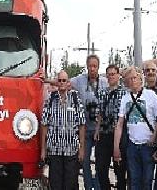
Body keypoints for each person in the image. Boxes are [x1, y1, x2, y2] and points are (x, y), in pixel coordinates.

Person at [114, 66, 157, 190]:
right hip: (132, 145)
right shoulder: (125, 98)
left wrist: (154, 138)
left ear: (140, 79)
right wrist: (116, 147)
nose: (132, 81)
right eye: (129, 79)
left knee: (147, 180)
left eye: (134, 78)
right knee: (134, 180)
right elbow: (120, 123)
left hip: (148, 145)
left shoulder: (151, 95)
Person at [40, 70, 86, 190]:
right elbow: (44, 125)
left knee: (70, 184)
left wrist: (81, 148)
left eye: (64, 80)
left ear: (68, 82)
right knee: (55, 184)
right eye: (59, 80)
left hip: (71, 150)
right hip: (54, 151)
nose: (61, 83)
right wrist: (43, 149)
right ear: (57, 82)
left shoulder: (76, 99)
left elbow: (81, 125)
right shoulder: (50, 100)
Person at [69, 54, 107, 190]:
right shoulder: (79, 80)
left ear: (98, 67)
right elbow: (63, 82)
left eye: (95, 66)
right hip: (84, 129)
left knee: (99, 162)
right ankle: (88, 186)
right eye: (90, 66)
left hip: (99, 129)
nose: (92, 69)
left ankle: (97, 187)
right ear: (87, 67)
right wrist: (46, 80)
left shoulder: (104, 82)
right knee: (84, 161)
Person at [94, 64, 127, 190]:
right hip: (104, 134)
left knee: (120, 170)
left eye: (113, 74)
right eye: (108, 74)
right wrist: (97, 130)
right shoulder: (102, 93)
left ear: (118, 75)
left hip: (118, 136)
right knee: (101, 169)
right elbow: (100, 114)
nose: (111, 77)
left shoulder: (125, 93)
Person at [143, 60, 157, 190]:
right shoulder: (140, 90)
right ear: (144, 73)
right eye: (148, 70)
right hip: (144, 138)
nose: (150, 72)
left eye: (153, 70)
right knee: (145, 175)